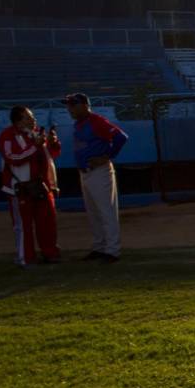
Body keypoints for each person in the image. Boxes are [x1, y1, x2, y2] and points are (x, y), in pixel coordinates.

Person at [63, 93, 128, 264]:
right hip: (85, 172)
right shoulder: (79, 124)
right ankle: (99, 248)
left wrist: (107, 156)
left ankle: (112, 251)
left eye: (72, 105)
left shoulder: (96, 120)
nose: (69, 109)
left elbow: (121, 137)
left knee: (106, 212)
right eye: (68, 105)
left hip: (99, 171)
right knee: (94, 214)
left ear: (84, 105)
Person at [0, 106, 62, 267]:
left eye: (32, 116)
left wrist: (53, 144)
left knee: (46, 222)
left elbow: (50, 157)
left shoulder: (36, 134)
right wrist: (35, 146)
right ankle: (25, 258)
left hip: (41, 186)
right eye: (28, 117)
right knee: (23, 225)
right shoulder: (7, 136)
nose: (33, 120)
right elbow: (13, 158)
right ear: (17, 121)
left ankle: (50, 253)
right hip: (20, 187)